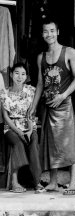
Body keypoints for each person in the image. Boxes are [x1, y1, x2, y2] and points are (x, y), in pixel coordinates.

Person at [28, 17, 75, 195]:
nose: (49, 34)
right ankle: (53, 182)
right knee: (50, 145)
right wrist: (33, 106)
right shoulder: (41, 57)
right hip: (47, 107)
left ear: (57, 32)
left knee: (70, 144)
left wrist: (63, 95)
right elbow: (40, 84)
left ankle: (73, 182)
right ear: (42, 34)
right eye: (45, 31)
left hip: (64, 105)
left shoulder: (69, 52)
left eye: (52, 30)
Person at [0, 63, 43, 193]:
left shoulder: (30, 91)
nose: (20, 76)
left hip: (28, 125)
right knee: (17, 143)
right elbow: (6, 117)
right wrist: (18, 131)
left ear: (26, 77)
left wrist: (30, 130)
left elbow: (31, 112)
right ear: (12, 75)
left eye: (23, 74)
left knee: (34, 141)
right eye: (17, 73)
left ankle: (37, 182)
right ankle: (14, 182)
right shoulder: (4, 93)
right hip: (11, 127)